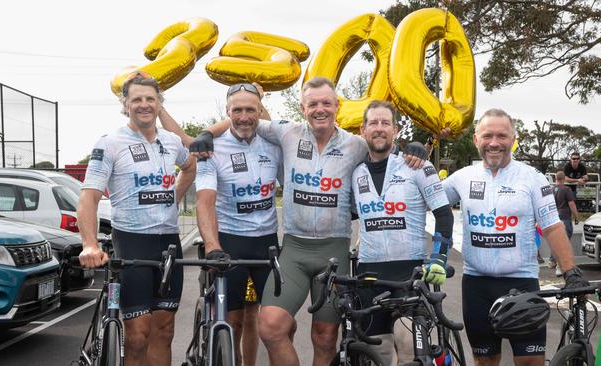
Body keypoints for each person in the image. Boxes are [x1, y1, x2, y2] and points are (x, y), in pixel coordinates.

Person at [181, 77, 427, 366]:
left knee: (325, 336)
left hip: (333, 250)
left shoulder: (356, 144)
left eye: (326, 103)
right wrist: (206, 132)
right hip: (295, 250)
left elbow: (383, 145)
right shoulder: (287, 133)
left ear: (337, 106)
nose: (320, 109)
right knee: (271, 327)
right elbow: (243, 118)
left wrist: (415, 147)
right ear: (303, 107)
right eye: (313, 104)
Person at [441, 108, 589, 366]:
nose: (494, 143)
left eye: (502, 135)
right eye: (487, 136)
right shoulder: (462, 178)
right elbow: (423, 199)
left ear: (513, 139)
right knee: (485, 361)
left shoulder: (531, 178)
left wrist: (571, 272)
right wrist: (415, 153)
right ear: (476, 139)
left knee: (529, 361)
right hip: (477, 285)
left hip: (522, 282)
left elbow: (553, 226)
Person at [77, 71, 196, 366]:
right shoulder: (110, 143)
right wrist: (89, 244)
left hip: (169, 242)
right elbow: (88, 197)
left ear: (159, 104)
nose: (144, 104)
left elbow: (190, 167)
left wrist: (174, 198)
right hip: (131, 241)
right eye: (137, 99)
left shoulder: (171, 141)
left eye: (150, 99)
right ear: (125, 104)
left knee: (165, 329)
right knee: (139, 333)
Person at [352, 100, 454, 365]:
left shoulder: (417, 166)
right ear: (363, 130)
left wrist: (439, 258)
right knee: (379, 351)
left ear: (395, 130)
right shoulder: (355, 171)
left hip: (409, 271)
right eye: (373, 123)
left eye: (385, 123)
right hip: (369, 272)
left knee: (408, 342)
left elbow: (444, 214)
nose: (379, 128)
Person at [193, 83, 282, 366]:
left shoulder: (275, 144)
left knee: (273, 321)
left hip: (266, 244)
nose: (244, 116)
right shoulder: (212, 150)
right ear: (227, 112)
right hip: (230, 242)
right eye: (237, 110)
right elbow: (205, 201)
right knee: (233, 320)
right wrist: (212, 246)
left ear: (260, 111)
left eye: (250, 109)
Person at [548, 171, 580, 275]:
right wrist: (576, 216)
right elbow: (571, 204)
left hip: (554, 217)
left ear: (556, 178)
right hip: (564, 217)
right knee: (564, 241)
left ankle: (552, 260)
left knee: (556, 240)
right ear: (564, 179)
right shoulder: (566, 189)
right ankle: (559, 265)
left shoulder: (552, 190)